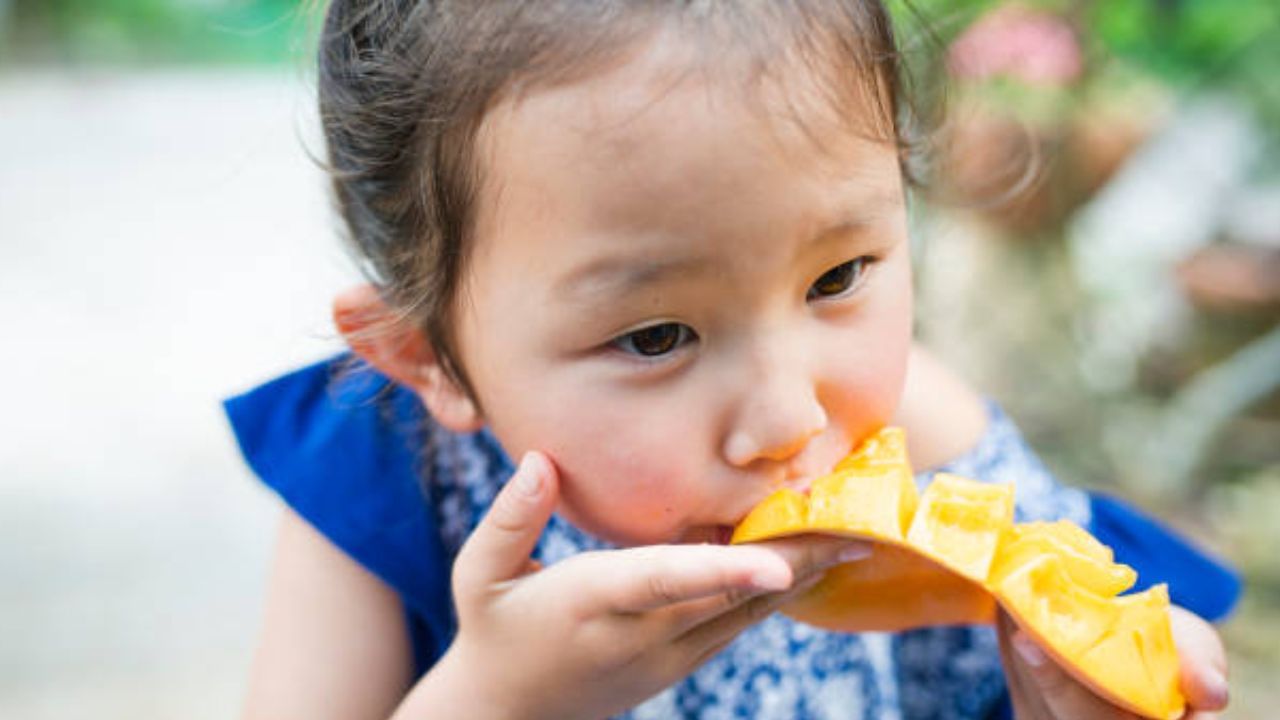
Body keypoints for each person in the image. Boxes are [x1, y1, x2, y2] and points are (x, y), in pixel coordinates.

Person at [225, 1, 1240, 718]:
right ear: (428, 358)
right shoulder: (385, 477)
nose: (789, 417)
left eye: (837, 276)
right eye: (657, 336)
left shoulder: (931, 450)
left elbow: (1101, 634)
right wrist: (494, 699)